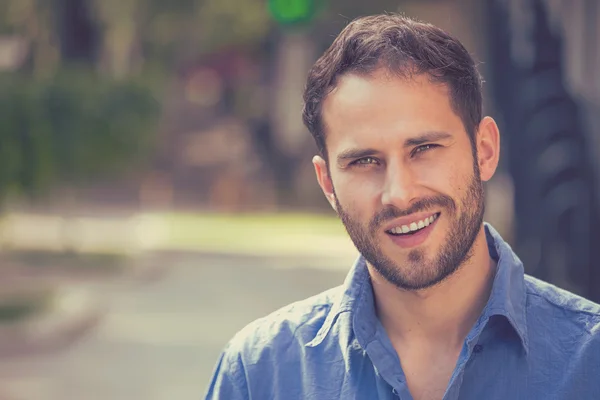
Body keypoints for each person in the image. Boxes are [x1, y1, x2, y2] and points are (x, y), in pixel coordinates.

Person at [204, 14, 600, 400]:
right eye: (364, 161)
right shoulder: (259, 375)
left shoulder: (589, 362)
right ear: (327, 183)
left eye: (424, 149)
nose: (400, 194)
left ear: (485, 150)